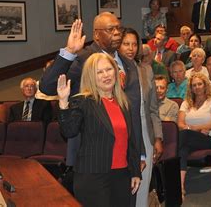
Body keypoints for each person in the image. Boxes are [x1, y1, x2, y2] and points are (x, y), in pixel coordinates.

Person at [39, 15, 145, 172]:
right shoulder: (83, 59)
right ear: (96, 35)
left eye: (119, 28)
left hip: (125, 159)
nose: (117, 33)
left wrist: (139, 154)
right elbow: (47, 86)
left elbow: (133, 115)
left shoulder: (129, 63)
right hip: (92, 161)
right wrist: (69, 51)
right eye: (110, 29)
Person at [56, 53, 141, 206]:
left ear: (115, 71)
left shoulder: (123, 102)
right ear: (91, 77)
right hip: (93, 177)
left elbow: (131, 140)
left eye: (108, 69)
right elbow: (69, 131)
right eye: (99, 72)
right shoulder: (83, 101)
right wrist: (63, 102)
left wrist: (135, 171)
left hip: (121, 175)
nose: (106, 75)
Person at [119, 28, 163, 207]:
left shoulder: (146, 70)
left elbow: (153, 109)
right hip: (122, 134)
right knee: (124, 187)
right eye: (126, 44)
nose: (130, 48)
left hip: (146, 133)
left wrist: (158, 138)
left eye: (134, 44)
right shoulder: (111, 71)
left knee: (143, 186)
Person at [177, 73, 211, 197]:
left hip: (207, 139)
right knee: (182, 150)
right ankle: (180, 187)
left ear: (205, 85)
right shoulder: (186, 103)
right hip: (188, 139)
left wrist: (195, 128)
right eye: (194, 85)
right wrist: (198, 129)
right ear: (191, 88)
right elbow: (180, 123)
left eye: (199, 84)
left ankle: (167, 159)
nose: (197, 87)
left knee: (184, 135)